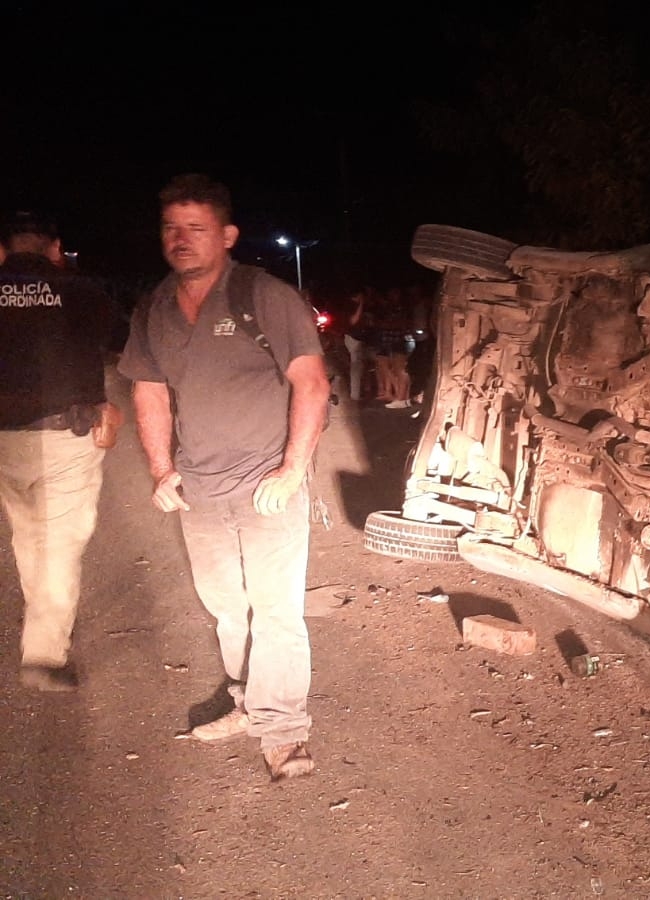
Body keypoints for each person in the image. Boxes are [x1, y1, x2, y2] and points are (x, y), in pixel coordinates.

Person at [119, 174, 330, 781]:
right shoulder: (154, 308)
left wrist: (292, 470)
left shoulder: (263, 296)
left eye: (196, 228)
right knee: (228, 609)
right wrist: (162, 470)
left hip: (268, 485)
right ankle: (246, 702)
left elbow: (311, 384)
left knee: (276, 611)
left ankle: (284, 730)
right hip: (200, 491)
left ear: (227, 235)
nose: (180, 239)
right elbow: (150, 391)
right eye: (170, 228)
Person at [0, 211, 118, 692]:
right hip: (63, 435)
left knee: (28, 534)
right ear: (54, 247)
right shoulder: (81, 291)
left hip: (5, 437)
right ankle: (44, 653)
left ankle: (41, 625)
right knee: (59, 544)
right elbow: (107, 339)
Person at [342, 288, 377, 403]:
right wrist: (360, 305)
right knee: (356, 367)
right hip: (353, 339)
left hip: (361, 339)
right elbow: (353, 321)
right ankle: (355, 394)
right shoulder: (350, 306)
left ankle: (364, 390)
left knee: (363, 365)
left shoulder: (362, 306)